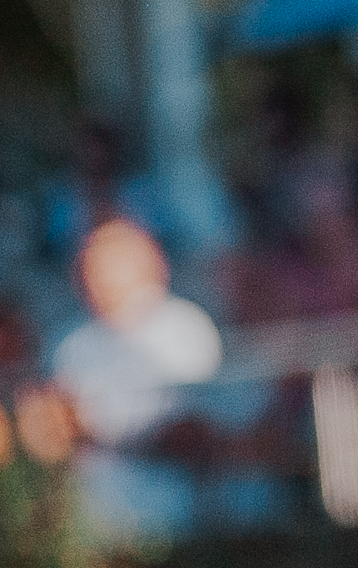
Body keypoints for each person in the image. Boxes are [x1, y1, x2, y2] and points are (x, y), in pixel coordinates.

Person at [35, 216, 224, 546]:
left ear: (150, 260)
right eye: (90, 265)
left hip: (181, 522)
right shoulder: (69, 346)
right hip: (99, 530)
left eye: (110, 263)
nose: (98, 277)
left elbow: (191, 433)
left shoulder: (186, 328)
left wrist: (97, 435)